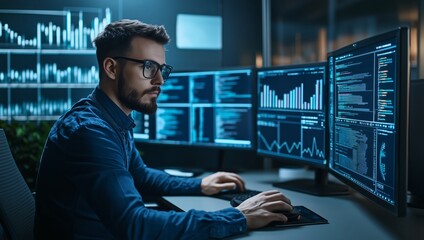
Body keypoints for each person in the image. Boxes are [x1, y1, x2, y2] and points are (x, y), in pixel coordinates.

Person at [34, 19, 293, 239]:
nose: (160, 80)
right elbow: (135, 224)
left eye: (162, 69)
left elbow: (141, 176)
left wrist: (199, 185)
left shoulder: (113, 118)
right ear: (112, 68)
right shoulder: (90, 131)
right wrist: (237, 216)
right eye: (148, 67)